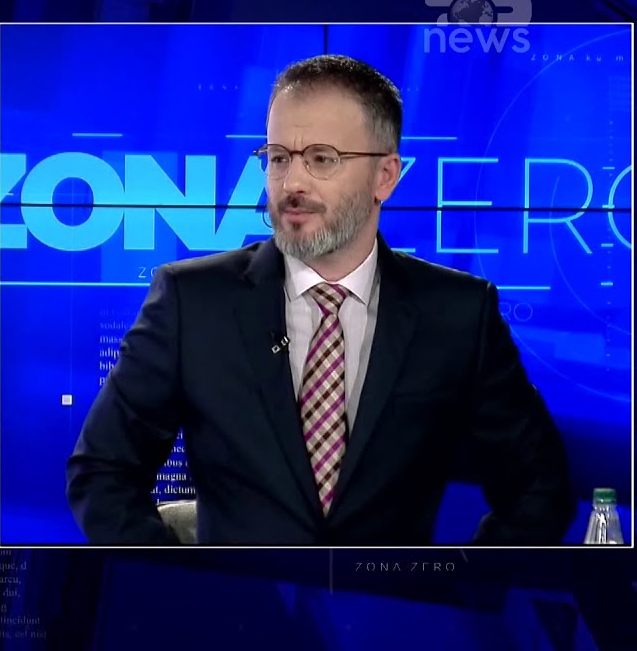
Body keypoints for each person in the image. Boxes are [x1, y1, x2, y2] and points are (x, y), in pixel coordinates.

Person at [66, 54, 575, 546]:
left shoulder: (459, 313)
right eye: (278, 158)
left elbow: (540, 488)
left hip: (385, 605)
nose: (292, 183)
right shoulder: (192, 301)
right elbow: (102, 472)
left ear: (385, 177)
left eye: (322, 159)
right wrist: (181, 584)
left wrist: (458, 584)